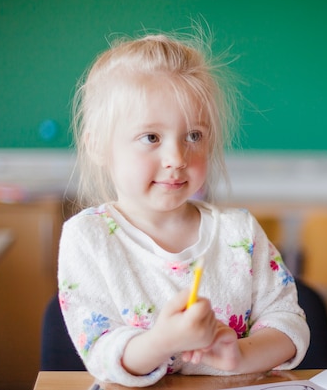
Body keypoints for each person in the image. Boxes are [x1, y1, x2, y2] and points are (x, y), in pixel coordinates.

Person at [58, 26, 310, 387]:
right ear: (98, 145)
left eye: (194, 135)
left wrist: (238, 354)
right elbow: (102, 353)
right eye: (151, 137)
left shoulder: (240, 232)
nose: (177, 157)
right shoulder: (88, 238)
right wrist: (163, 342)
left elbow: (288, 323)